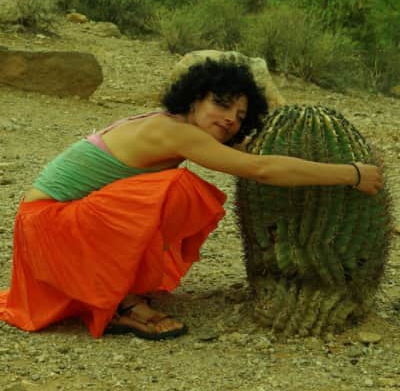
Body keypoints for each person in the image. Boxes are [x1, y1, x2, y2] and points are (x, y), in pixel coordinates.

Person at [0, 59, 383, 341]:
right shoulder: (176, 132)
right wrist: (351, 174)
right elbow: (261, 169)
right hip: (48, 229)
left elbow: (252, 156)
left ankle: (112, 289)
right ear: (195, 98)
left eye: (241, 115)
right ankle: (120, 305)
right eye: (222, 104)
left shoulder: (168, 123)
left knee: (169, 187)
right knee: (178, 188)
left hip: (44, 230)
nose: (231, 119)